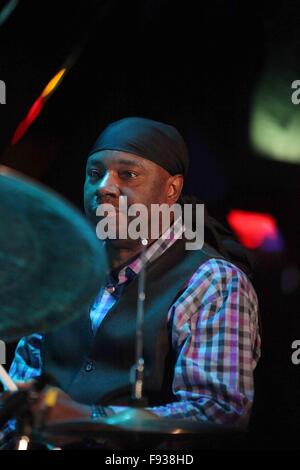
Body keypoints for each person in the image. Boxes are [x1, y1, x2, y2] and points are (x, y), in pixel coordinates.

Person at [2, 117, 260, 440]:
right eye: (94, 174)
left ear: (171, 189)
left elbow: (216, 413)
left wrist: (89, 420)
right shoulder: (63, 275)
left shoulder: (212, 282)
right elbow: (21, 390)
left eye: (128, 174)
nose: (103, 188)